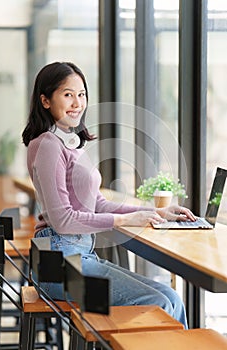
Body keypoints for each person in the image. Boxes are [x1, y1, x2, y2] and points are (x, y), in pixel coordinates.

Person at [22, 61, 196, 329]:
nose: (77, 102)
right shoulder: (48, 145)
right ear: (45, 101)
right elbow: (63, 221)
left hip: (79, 255)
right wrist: (125, 220)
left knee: (172, 298)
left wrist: (154, 212)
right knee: (157, 303)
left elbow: (97, 203)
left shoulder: (69, 142)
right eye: (67, 94)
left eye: (81, 94)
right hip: (58, 265)